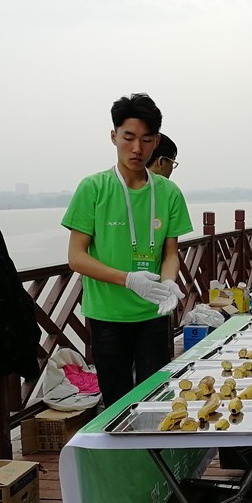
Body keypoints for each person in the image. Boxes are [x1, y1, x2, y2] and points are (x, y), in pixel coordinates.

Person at [63, 93, 192, 408]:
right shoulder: (93, 188)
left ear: (156, 141)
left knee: (155, 401)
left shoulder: (168, 192)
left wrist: (170, 281)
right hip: (107, 316)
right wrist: (128, 279)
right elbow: (76, 257)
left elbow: (171, 252)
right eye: (129, 138)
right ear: (113, 136)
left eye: (147, 140)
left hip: (153, 314)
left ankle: (153, 458)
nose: (137, 149)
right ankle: (121, 457)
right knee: (117, 405)